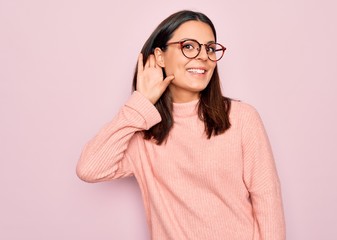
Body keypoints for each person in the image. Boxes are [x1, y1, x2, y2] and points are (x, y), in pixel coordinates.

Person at [76, 10, 286, 240]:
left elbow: (268, 202)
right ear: (160, 57)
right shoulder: (143, 131)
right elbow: (90, 169)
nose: (204, 56)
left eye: (210, 48)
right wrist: (140, 102)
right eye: (189, 46)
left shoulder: (242, 118)